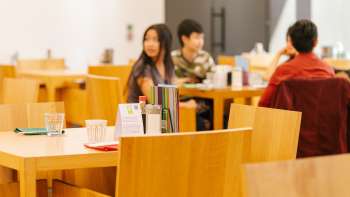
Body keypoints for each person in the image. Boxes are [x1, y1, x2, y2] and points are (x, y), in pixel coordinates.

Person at [259, 19, 335, 107]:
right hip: (323, 120)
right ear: (315, 42)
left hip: (292, 120)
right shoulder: (328, 70)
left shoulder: (283, 70)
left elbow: (263, 103)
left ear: (292, 42)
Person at [127, 24, 175, 103]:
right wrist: (184, 104)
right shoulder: (142, 67)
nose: (150, 44)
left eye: (155, 40)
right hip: (140, 113)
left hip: (160, 112)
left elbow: (172, 87)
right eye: (147, 39)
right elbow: (154, 100)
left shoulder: (168, 64)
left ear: (166, 43)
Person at [172, 19, 215, 83]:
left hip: (200, 93)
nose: (200, 42)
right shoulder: (172, 58)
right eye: (197, 37)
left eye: (202, 37)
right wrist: (187, 80)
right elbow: (166, 82)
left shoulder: (206, 57)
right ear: (184, 39)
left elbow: (214, 80)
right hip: (177, 92)